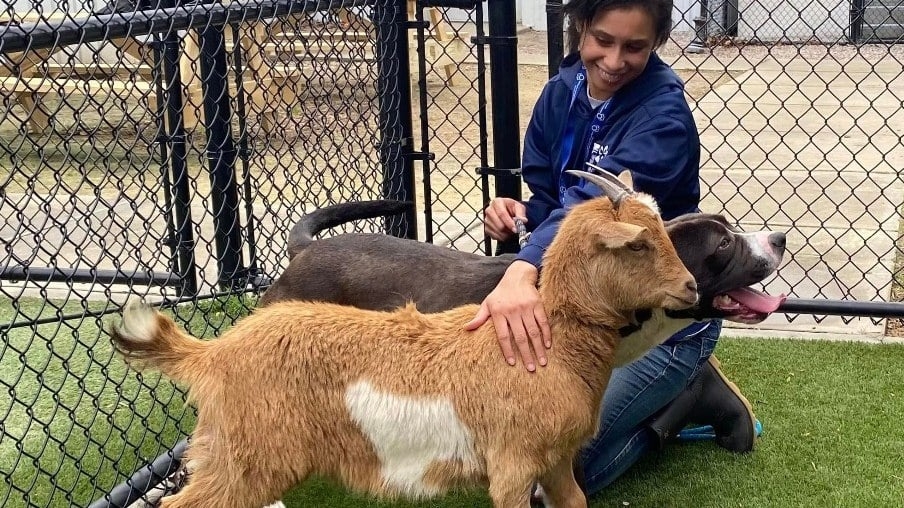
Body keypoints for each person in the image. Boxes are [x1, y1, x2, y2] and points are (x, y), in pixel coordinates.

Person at [464, 0, 757, 497]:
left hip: (659, 325)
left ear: (657, 43)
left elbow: (591, 205)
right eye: (603, 39)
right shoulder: (561, 92)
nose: (614, 60)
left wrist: (520, 271)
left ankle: (689, 393)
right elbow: (549, 197)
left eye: (634, 47)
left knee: (550, 482)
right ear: (580, 28)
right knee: (516, 452)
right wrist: (520, 213)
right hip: (588, 317)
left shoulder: (664, 118)